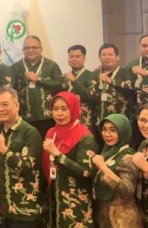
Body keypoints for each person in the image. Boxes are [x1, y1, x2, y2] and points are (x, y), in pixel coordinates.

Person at [0, 86, 43, 227]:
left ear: (16, 105)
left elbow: (26, 168)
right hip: (1, 211)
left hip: (25, 212)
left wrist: (4, 149)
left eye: (5, 104)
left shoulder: (30, 132)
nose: (0, 109)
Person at [41, 91, 97, 227]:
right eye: (55, 109)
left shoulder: (85, 136)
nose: (59, 113)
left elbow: (86, 172)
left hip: (76, 200)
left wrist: (57, 154)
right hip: (55, 195)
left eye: (64, 109)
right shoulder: (51, 132)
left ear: (73, 109)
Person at [91, 114, 144, 228]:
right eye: (104, 130)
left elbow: (127, 191)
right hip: (104, 216)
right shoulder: (105, 153)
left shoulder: (127, 158)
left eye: (113, 130)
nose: (107, 134)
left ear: (123, 132)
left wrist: (103, 167)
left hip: (123, 220)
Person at [12, 35, 63, 138]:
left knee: (46, 147)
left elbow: (61, 85)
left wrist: (39, 79)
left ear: (41, 49)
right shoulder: (16, 67)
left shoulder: (52, 65)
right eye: (27, 48)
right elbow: (11, 90)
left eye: (34, 47)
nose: (30, 50)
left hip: (47, 117)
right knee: (28, 148)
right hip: (24, 117)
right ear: (22, 50)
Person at [89, 44, 135, 122]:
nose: (107, 57)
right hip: (98, 120)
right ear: (100, 58)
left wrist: (110, 81)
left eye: (110, 54)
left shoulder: (125, 72)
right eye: (104, 55)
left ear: (117, 57)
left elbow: (131, 90)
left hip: (120, 120)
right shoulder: (94, 74)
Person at [62, 45, 97, 130]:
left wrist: (74, 82)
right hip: (67, 119)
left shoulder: (91, 76)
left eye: (77, 56)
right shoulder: (65, 77)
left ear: (84, 58)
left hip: (85, 120)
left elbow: (91, 97)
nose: (74, 59)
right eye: (71, 56)